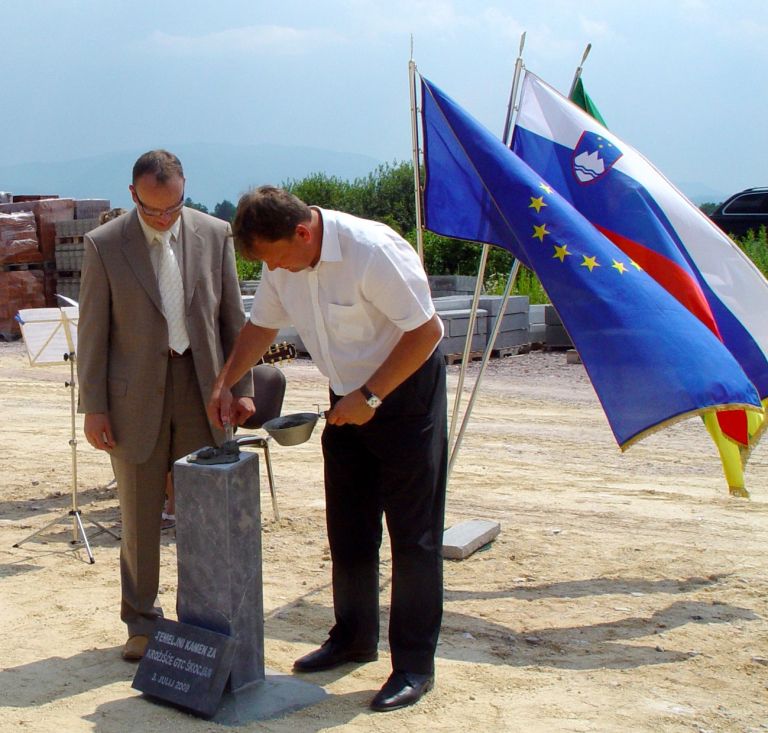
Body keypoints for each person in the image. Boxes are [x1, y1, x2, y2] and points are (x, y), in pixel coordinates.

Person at [207, 186, 448, 713]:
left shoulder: (372, 251)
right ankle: (353, 637)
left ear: (303, 232)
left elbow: (427, 332)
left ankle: (413, 665)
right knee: (349, 526)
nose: (275, 270)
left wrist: (372, 396)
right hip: (347, 394)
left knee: (414, 535)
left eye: (277, 259)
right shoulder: (281, 260)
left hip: (404, 393)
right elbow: (261, 325)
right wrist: (227, 381)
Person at [77, 150, 254, 661]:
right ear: (132, 194)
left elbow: (233, 319)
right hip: (132, 400)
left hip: (204, 391)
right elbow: (93, 333)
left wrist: (241, 386)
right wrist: (94, 406)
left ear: (184, 189)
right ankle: (141, 621)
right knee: (139, 516)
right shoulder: (104, 244)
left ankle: (202, 619)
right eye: (151, 209)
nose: (162, 218)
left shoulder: (215, 234)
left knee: (203, 512)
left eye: (172, 207)